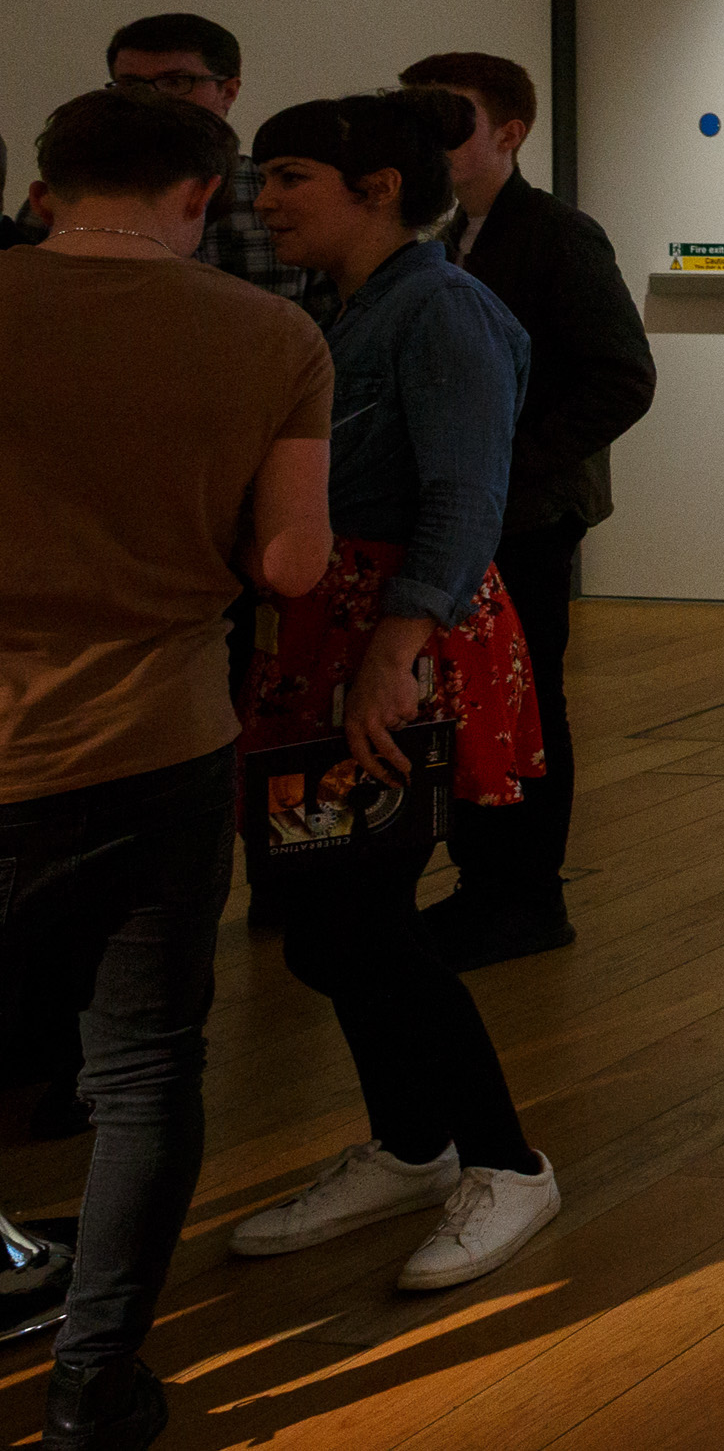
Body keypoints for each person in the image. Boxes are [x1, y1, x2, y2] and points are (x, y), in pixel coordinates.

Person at [0, 86, 334, 1450]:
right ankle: (94, 1391)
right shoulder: (272, 334)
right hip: (157, 739)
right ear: (202, 195)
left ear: (48, 181)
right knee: (142, 1071)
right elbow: (291, 563)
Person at [227, 89, 564, 1287]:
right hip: (343, 631)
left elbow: (465, 498)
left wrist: (390, 654)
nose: (262, 203)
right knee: (325, 923)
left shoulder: (443, 310)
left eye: (288, 179)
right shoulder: (354, 304)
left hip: (400, 639)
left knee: (359, 917)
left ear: (374, 188)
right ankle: (412, 1141)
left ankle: (502, 1159)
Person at [396, 53, 656, 969]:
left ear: (510, 133)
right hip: (479, 508)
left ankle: (524, 896)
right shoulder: (436, 233)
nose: (428, 135)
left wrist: (504, 463)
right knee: (478, 699)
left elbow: (622, 376)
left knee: (525, 698)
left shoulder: (555, 235)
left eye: (449, 118)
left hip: (529, 514)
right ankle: (490, 888)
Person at [96, 15, 313, 307]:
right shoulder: (78, 193)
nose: (151, 98)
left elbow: (330, 331)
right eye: (132, 84)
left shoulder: (280, 194)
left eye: (175, 82)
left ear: (228, 91)